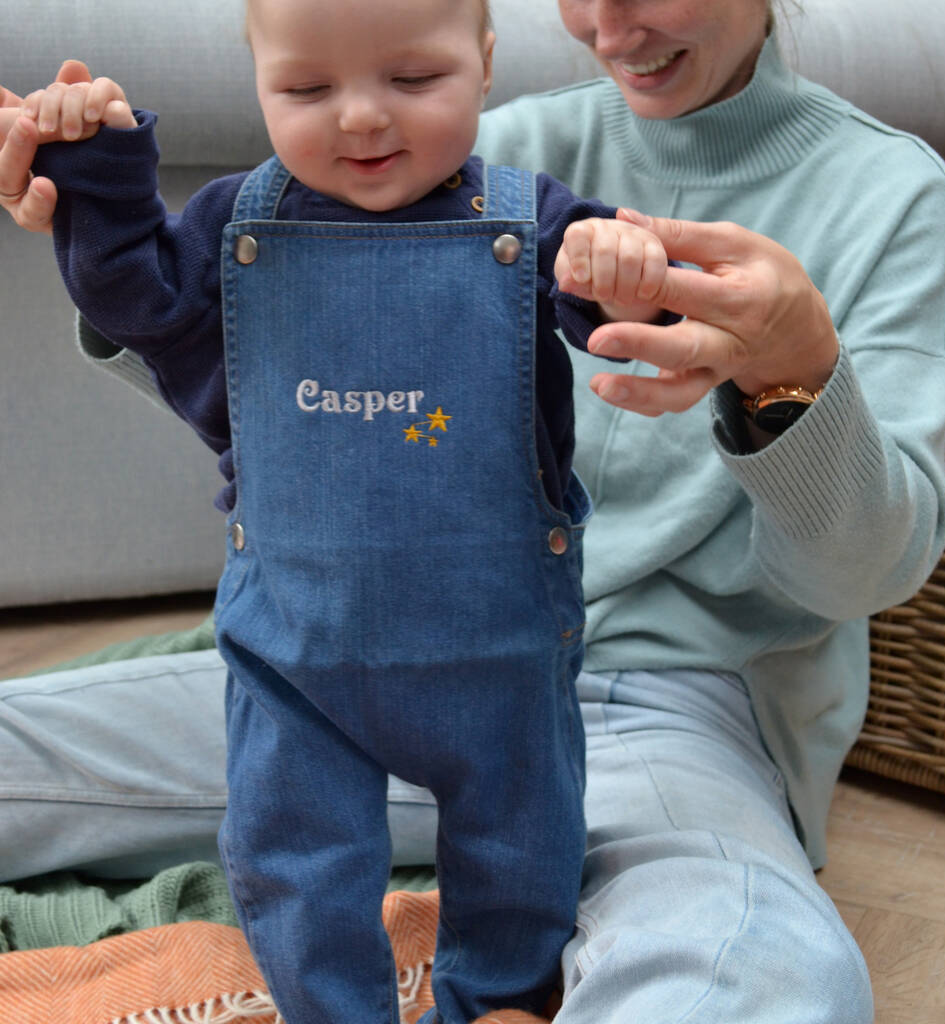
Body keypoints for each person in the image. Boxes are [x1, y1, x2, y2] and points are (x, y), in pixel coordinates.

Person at [0, 1, 945, 1021]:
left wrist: (793, 377)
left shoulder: (886, 192)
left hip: (648, 704)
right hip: (319, 656)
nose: (608, 20)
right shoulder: (442, 147)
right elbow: (273, 411)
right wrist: (98, 212)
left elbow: (865, 574)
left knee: (758, 974)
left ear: (476, 59)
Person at [7, 2, 673, 1023]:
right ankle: (330, 1006)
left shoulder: (524, 218)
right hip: (296, 653)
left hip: (492, 646)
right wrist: (93, 167)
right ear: (258, 83)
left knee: (520, 838)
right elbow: (130, 298)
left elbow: (618, 309)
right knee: (290, 853)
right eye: (307, 90)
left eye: (413, 81)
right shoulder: (235, 225)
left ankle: (500, 996)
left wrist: (621, 274)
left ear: (486, 66)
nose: (361, 119)